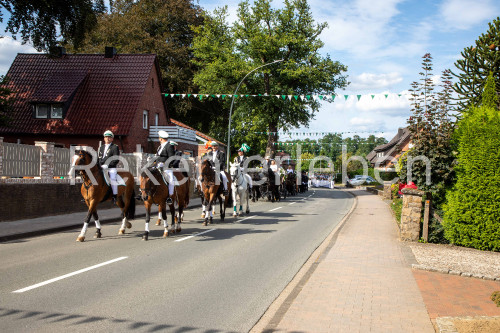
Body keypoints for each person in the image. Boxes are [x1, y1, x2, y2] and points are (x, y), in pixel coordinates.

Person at [98, 130, 120, 203]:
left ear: (112, 139)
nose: (107, 138)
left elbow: (116, 159)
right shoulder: (101, 147)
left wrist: (107, 165)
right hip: (101, 167)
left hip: (111, 168)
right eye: (106, 137)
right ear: (104, 138)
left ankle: (114, 196)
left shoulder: (115, 147)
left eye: (109, 137)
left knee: (113, 178)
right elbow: (99, 158)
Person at [155, 130, 175, 204]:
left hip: (166, 168)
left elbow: (171, 158)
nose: (158, 139)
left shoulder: (169, 146)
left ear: (161, 139)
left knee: (171, 181)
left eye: (159, 138)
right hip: (157, 166)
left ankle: (170, 196)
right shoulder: (160, 147)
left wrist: (164, 164)